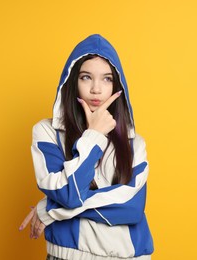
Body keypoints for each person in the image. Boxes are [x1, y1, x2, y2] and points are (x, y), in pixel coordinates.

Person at [19, 34, 154, 260]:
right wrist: (94, 135)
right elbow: (69, 195)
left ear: (117, 86)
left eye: (107, 79)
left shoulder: (134, 143)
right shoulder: (47, 133)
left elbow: (131, 207)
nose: (96, 89)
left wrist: (50, 210)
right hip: (68, 255)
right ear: (73, 81)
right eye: (86, 77)